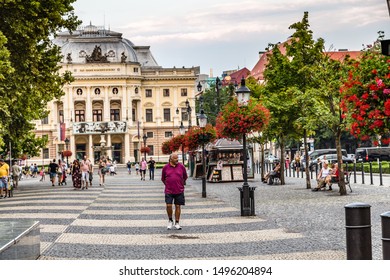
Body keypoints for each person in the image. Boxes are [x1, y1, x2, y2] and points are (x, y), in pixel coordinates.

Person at [161, 153, 188, 230]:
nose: (177, 160)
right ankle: (170, 220)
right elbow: (163, 178)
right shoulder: (165, 167)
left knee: (178, 206)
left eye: (177, 158)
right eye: (175, 158)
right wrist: (168, 185)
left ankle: (177, 222)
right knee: (168, 205)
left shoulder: (181, 166)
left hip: (179, 190)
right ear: (171, 159)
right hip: (169, 190)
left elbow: (185, 177)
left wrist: (180, 184)